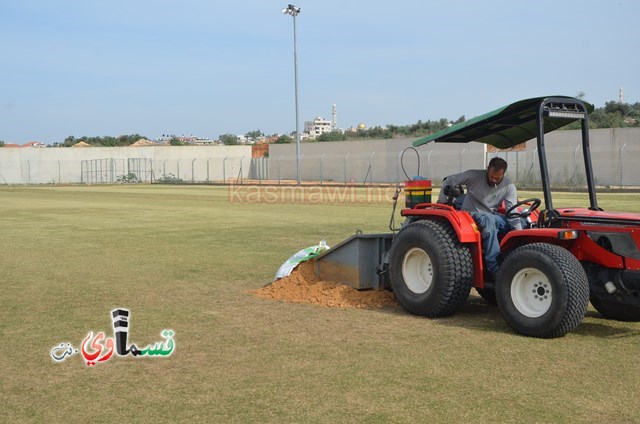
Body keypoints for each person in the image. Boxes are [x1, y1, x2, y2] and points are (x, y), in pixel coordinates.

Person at [437, 157, 521, 280]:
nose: (494, 180)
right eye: (492, 176)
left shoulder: (509, 187)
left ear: (504, 174)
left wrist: (519, 233)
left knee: (523, 221)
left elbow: (512, 212)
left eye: (498, 178)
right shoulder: (474, 176)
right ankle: (496, 269)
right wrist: (442, 203)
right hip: (469, 215)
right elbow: (449, 180)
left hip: (491, 216)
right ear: (488, 169)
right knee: (489, 221)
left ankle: (517, 261)